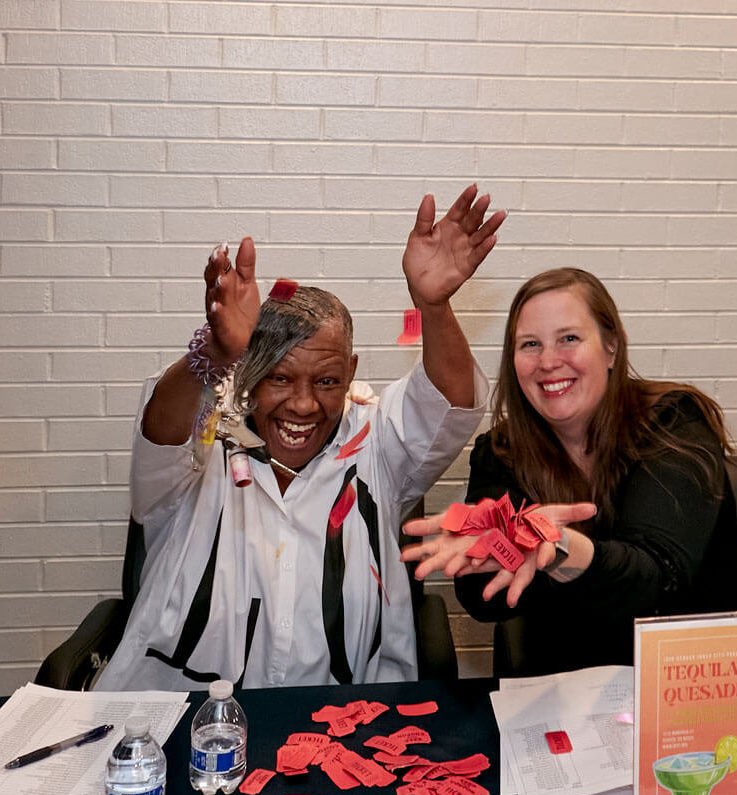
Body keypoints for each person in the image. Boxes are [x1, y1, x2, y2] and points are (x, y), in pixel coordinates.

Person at [95, 185, 504, 691]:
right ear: (248, 372)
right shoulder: (207, 438)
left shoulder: (376, 442)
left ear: (351, 371)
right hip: (177, 716)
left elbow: (451, 402)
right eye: (280, 378)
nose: (304, 404)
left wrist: (433, 307)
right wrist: (214, 354)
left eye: (327, 381)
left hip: (345, 718)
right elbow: (162, 432)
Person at [403, 268, 737, 675]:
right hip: (580, 682)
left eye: (569, 338)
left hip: (724, 671)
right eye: (530, 344)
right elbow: (486, 601)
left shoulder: (673, 422)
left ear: (611, 348)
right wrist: (492, 552)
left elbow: (655, 580)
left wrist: (560, 547)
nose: (549, 361)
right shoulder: (500, 452)